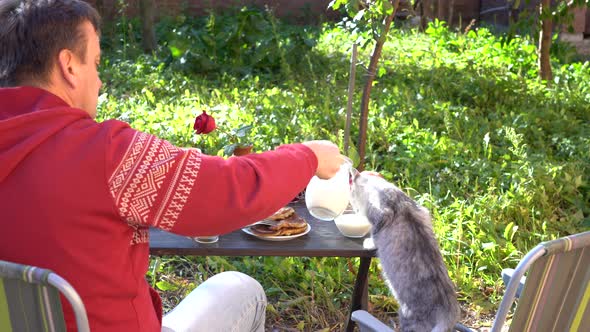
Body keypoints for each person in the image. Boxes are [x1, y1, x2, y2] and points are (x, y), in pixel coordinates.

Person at [0, 1, 343, 331]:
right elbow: (227, 192)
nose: (100, 81)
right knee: (243, 291)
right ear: (69, 66)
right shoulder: (105, 154)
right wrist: (308, 156)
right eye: (97, 63)